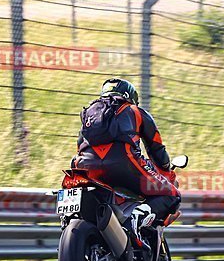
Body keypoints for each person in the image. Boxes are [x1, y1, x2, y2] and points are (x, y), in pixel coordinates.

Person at [72, 78, 181, 246]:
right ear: (130, 96)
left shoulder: (90, 114)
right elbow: (155, 147)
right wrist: (166, 171)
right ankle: (138, 217)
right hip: (125, 164)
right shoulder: (135, 111)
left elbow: (80, 146)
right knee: (172, 194)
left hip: (85, 168)